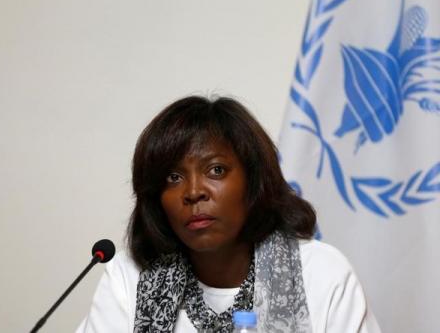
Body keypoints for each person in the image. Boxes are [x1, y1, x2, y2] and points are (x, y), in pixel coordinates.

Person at [77, 96, 381, 332]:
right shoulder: (130, 277)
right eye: (173, 177)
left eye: (216, 170)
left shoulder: (320, 273)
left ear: (254, 181)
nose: (194, 191)